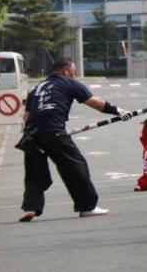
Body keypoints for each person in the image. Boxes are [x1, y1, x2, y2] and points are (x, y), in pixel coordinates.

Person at [19, 58, 119, 221]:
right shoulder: (69, 82)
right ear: (65, 71)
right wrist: (118, 111)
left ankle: (31, 206)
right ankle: (87, 207)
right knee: (75, 165)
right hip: (53, 130)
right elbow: (95, 103)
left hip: (31, 133)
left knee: (35, 172)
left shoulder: (37, 87)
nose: (75, 73)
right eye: (73, 70)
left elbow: (26, 116)